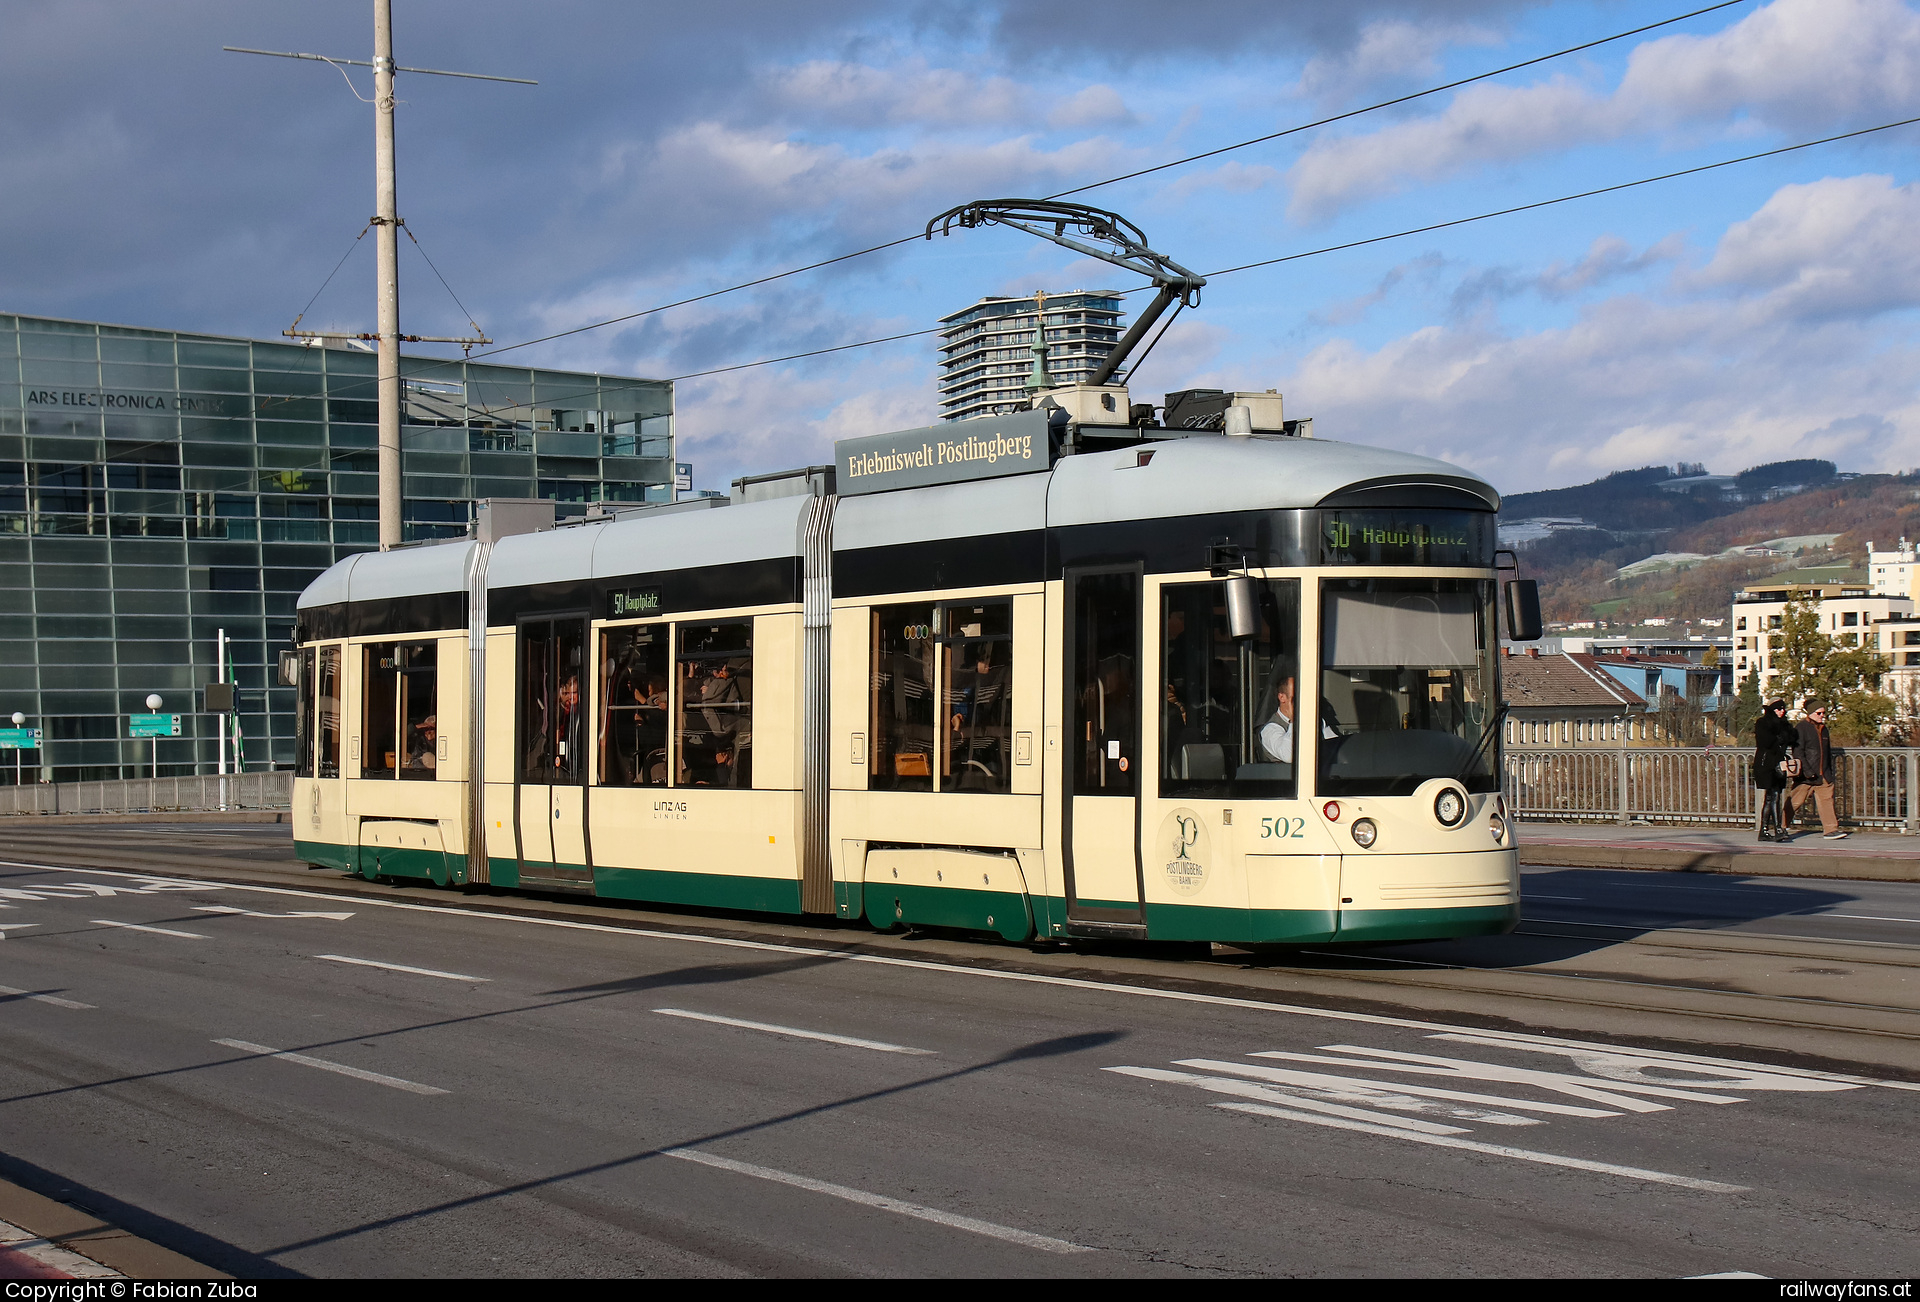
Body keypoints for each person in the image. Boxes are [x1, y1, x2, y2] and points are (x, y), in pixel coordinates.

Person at [1786, 697, 1847, 840]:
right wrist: (1807, 771)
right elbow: (1798, 752)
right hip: (1807, 775)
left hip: (1823, 774)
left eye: (1823, 713)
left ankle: (1831, 829)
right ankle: (1780, 825)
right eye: (1819, 713)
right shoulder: (1801, 728)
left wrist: (1829, 772)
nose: (1822, 716)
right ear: (1810, 713)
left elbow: (1827, 752)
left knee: (1827, 800)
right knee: (1795, 801)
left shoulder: (1824, 729)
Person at [1752, 699, 1794, 842]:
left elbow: (1792, 738)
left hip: (1778, 763)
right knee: (1773, 795)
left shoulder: (1784, 724)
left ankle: (1764, 830)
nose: (1782, 711)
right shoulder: (1763, 723)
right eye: (1778, 709)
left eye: (1783, 708)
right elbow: (1765, 742)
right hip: (1765, 764)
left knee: (1772, 796)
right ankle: (1777, 829)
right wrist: (1779, 736)